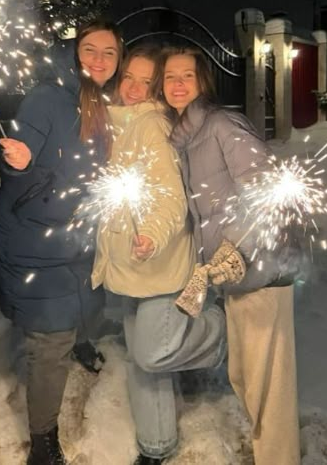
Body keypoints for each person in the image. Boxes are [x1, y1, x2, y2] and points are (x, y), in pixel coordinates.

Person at [154, 45, 301, 465]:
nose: (178, 84)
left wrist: (233, 247)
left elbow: (262, 189)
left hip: (263, 268)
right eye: (170, 77)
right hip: (235, 274)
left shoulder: (222, 124)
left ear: (203, 82)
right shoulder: (185, 138)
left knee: (268, 388)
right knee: (245, 378)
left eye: (187, 75)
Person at [0, 19, 123, 465]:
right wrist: (20, 161)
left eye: (109, 53)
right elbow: (15, 157)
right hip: (38, 236)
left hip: (78, 230)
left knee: (86, 297)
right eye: (90, 50)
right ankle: (43, 441)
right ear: (74, 53)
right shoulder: (47, 97)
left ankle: (81, 342)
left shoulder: (100, 101)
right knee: (49, 342)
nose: (99, 60)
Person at [91, 45, 226, 465]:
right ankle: (157, 445)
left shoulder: (149, 125)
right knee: (142, 359)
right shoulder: (115, 124)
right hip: (129, 263)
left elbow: (170, 198)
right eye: (128, 77)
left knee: (152, 352)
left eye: (146, 83)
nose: (133, 88)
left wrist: (151, 234)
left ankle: (221, 335)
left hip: (159, 262)